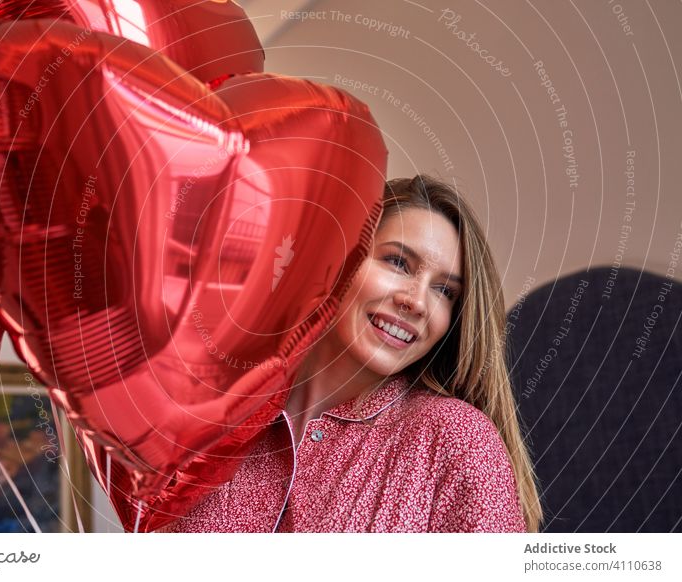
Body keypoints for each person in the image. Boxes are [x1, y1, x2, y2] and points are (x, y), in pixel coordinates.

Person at [159, 175, 542, 532]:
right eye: (397, 262)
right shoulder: (212, 419)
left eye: (444, 291)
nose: (417, 301)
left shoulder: (458, 441)